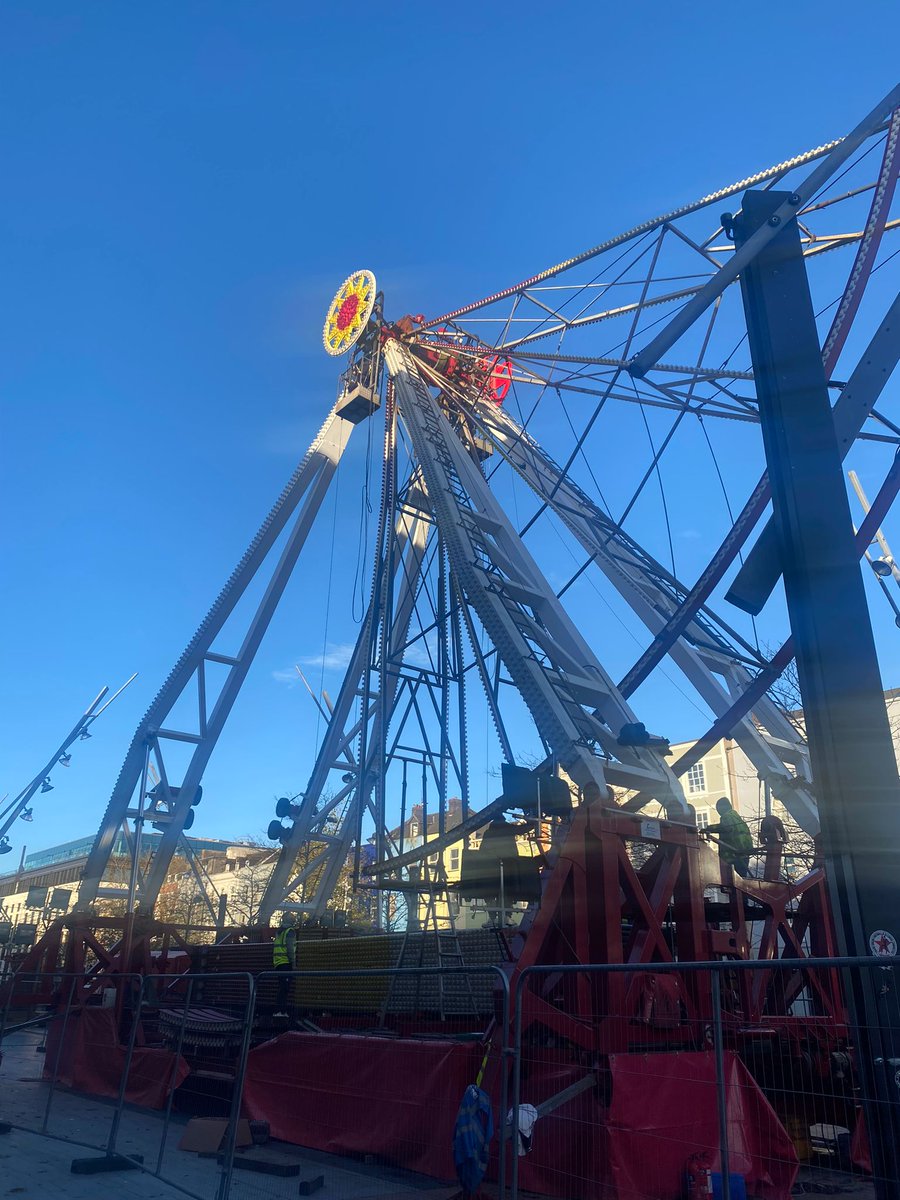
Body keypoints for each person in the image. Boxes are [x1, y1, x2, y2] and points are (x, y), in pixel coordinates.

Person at [707, 797, 753, 878]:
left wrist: (710, 828)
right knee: (743, 879)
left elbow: (725, 828)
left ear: (721, 808)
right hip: (744, 855)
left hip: (733, 856)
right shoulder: (737, 818)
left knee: (735, 882)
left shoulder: (726, 817)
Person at [272, 913, 296, 1016]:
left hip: (278, 962)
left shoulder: (279, 931)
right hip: (286, 962)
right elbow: (290, 948)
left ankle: (279, 1011)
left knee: (282, 988)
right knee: (285, 988)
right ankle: (281, 1011)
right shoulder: (289, 932)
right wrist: (293, 963)